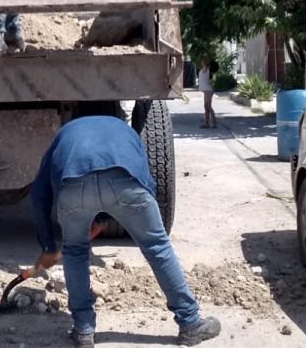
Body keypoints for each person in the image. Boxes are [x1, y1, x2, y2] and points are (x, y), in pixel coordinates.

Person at [30, 116, 221, 347]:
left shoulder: (63, 135)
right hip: (125, 180)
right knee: (156, 246)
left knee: (75, 251)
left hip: (73, 186)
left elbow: (39, 195)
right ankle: (190, 324)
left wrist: (49, 247)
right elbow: (144, 178)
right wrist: (116, 213)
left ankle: (83, 330)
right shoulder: (124, 130)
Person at [198, 57, 217, 128]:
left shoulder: (208, 70)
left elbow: (211, 78)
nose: (202, 62)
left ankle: (211, 123)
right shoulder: (202, 70)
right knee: (206, 106)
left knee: (208, 106)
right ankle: (207, 123)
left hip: (208, 90)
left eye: (203, 62)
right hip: (205, 90)